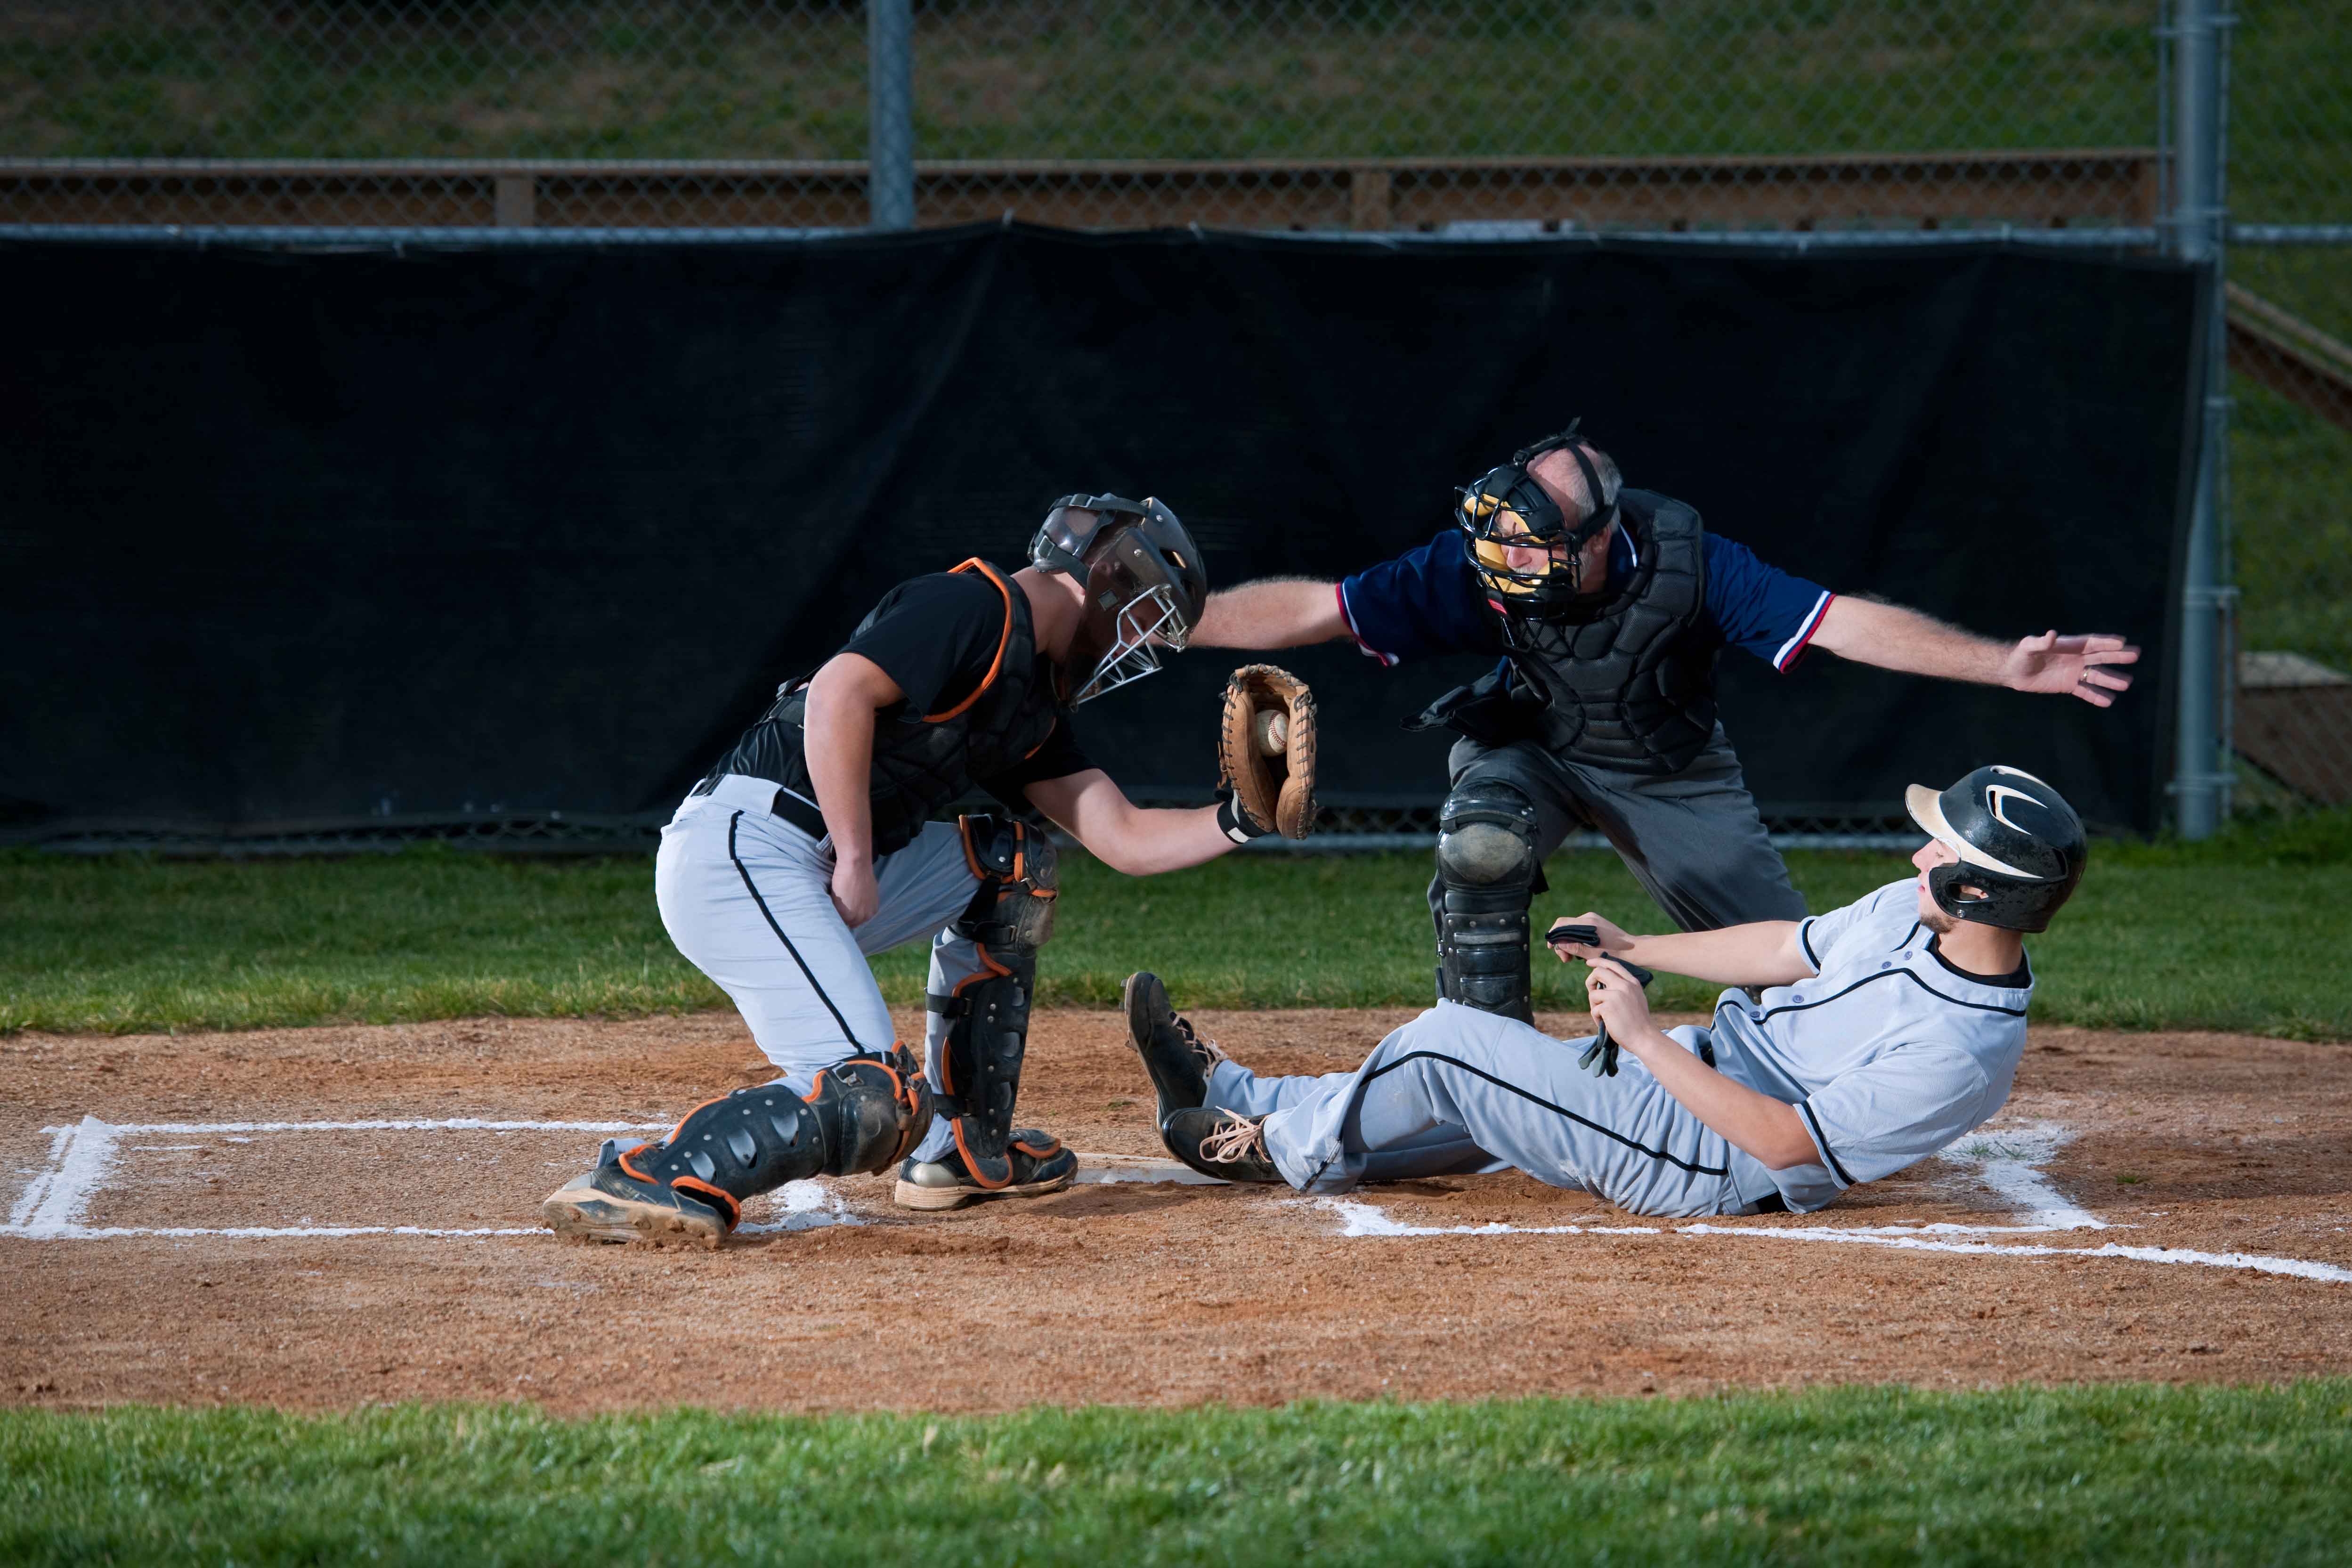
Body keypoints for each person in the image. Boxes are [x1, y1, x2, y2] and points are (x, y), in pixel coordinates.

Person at [544, 494, 1306, 1247]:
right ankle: (648, 1172)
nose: (1134, 645)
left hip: (813, 862)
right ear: (1106, 582)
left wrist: (1243, 818)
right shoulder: (972, 606)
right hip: (747, 848)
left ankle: (961, 1149)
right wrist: (851, 853)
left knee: (1013, 863)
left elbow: (1124, 836)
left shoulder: (1029, 702)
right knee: (871, 1098)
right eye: (1139, 617)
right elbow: (840, 690)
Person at [1189, 423, 2135, 1024]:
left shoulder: (1693, 563)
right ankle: (1486, 1062)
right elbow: (1323, 607)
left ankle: (1841, 1074)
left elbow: (1840, 622)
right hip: (1531, 744)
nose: (1506, 558)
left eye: (1534, 543)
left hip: (1666, 769)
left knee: (1792, 978)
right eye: (1500, 540)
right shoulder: (1476, 564)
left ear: (1600, 536)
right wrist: (1177, 624)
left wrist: (2003, 664)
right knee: (1480, 845)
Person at [1123, 765, 2083, 1219]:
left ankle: (1272, 1152)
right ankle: (1240, 1096)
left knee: (1449, 1042)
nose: (1918, 854)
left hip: (1706, 1160)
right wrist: (1639, 943)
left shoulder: (1962, 1055)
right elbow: (1787, 949)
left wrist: (1648, 1038)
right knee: (1485, 1103)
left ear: (1975, 890)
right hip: (1691, 1083)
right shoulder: (1915, 911)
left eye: (1941, 852)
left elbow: (1787, 1146)